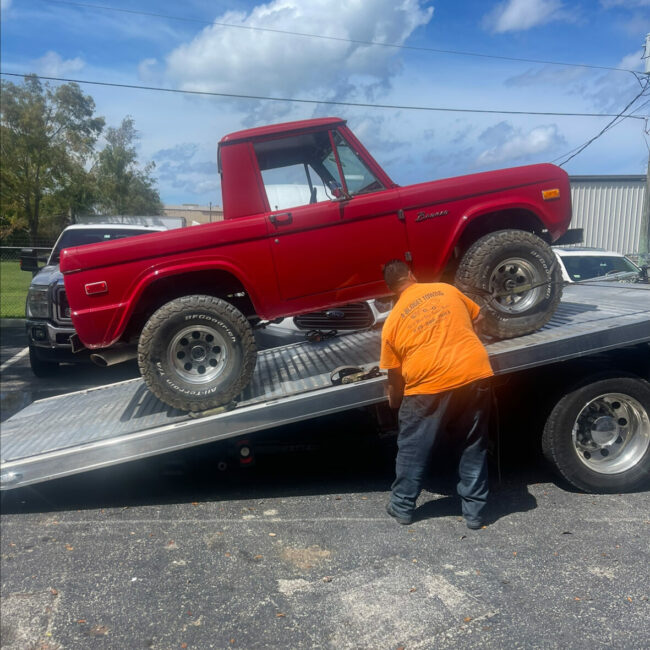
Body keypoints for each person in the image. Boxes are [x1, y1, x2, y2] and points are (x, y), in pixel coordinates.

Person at [379, 260, 494, 529]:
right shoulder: (446, 289)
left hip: (427, 384)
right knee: (472, 442)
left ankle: (402, 506)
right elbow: (479, 317)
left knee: (413, 446)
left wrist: (395, 402)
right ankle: (475, 513)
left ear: (390, 289)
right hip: (473, 371)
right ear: (411, 274)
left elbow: (394, 374)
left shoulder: (392, 321)